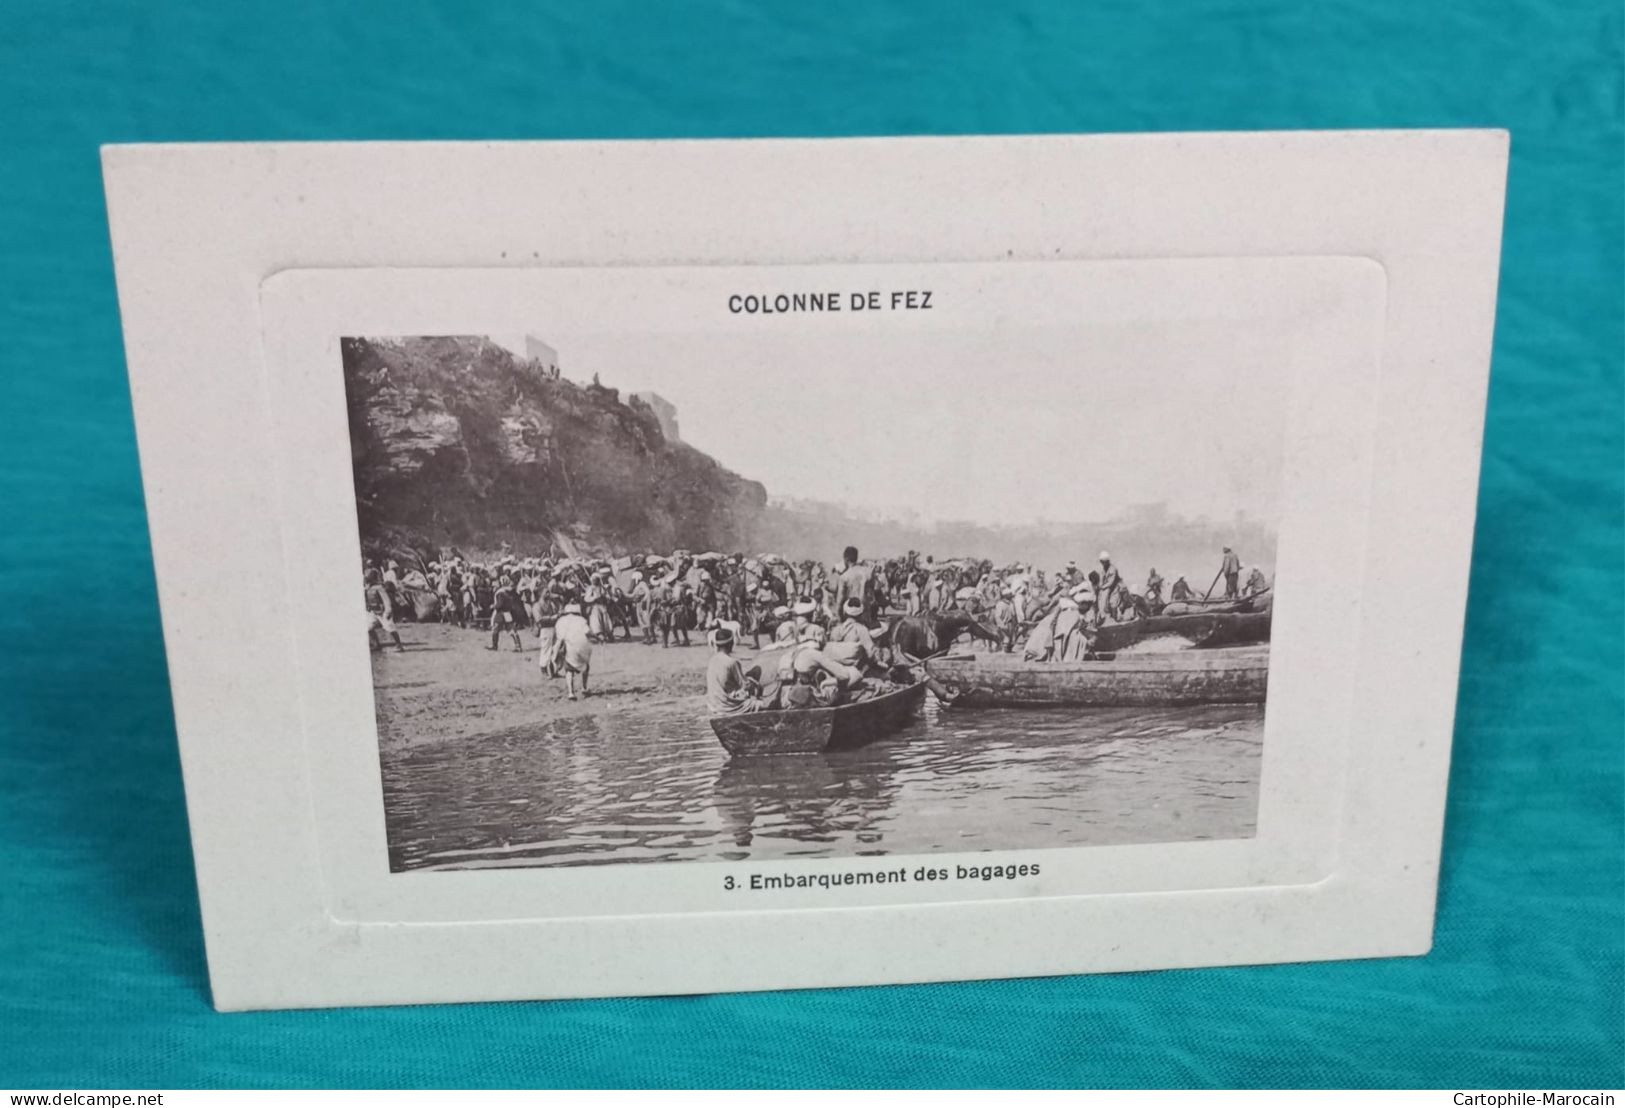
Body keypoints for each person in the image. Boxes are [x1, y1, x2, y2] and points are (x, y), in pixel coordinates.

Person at [705, 627, 775, 715]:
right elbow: (745, 685)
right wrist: (754, 682)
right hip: (726, 707)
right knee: (764, 704)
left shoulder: (712, 660)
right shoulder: (731, 662)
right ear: (731, 643)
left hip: (713, 704)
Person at [553, 603, 593, 700]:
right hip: (582, 645)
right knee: (586, 666)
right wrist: (597, 637)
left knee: (569, 669)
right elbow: (588, 632)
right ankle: (584, 687)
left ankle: (571, 692)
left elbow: (558, 635)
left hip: (569, 645)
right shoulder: (582, 620)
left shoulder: (560, 621)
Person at [827, 596, 878, 669]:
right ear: (861, 614)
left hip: (835, 666)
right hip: (854, 667)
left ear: (845, 612)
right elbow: (870, 652)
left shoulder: (836, 629)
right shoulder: (862, 630)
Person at [364, 568, 406, 653]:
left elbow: (386, 599)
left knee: (390, 627)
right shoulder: (368, 589)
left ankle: (399, 645)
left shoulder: (379, 588)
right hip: (374, 612)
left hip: (382, 612)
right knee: (368, 628)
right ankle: (376, 644)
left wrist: (388, 610)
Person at [833, 545, 873, 622]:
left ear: (846, 559)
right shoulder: (868, 572)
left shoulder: (844, 577)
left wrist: (839, 616)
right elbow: (872, 593)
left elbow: (840, 600)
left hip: (851, 612)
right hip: (866, 612)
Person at [488, 575, 526, 652]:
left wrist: (494, 606)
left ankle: (494, 645)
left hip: (500, 614)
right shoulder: (508, 592)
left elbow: (500, 604)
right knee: (512, 630)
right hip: (507, 613)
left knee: (495, 629)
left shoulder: (500, 593)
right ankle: (518, 646)